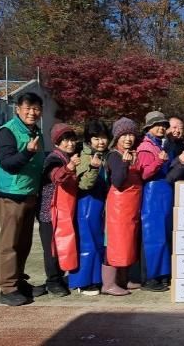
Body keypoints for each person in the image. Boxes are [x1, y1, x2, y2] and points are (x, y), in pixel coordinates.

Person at [0, 92, 48, 306]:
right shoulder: (7, 131)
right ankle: (7, 288)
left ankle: (18, 282)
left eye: (36, 109)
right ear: (18, 109)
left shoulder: (35, 132)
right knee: (10, 243)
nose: (32, 112)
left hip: (29, 193)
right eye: (28, 108)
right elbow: (8, 163)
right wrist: (27, 152)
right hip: (10, 194)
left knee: (24, 242)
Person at [38, 124, 80, 297]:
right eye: (65, 140)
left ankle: (60, 277)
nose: (70, 143)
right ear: (57, 142)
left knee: (64, 245)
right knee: (52, 248)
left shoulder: (69, 157)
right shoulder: (54, 159)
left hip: (64, 211)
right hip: (50, 212)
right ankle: (53, 281)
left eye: (72, 140)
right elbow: (56, 177)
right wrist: (69, 168)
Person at [69, 119, 110, 296]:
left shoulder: (105, 155)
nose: (101, 142)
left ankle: (96, 279)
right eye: (96, 138)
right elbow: (84, 185)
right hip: (86, 204)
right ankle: (83, 281)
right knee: (88, 244)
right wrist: (93, 168)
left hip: (99, 204)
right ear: (88, 140)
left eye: (103, 137)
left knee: (98, 243)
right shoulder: (84, 156)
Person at [103, 117, 142, 296]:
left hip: (131, 207)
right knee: (114, 244)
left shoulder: (133, 154)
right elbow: (117, 181)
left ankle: (123, 280)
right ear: (117, 137)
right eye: (124, 135)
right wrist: (125, 164)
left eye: (131, 135)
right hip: (118, 208)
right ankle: (108, 284)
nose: (128, 138)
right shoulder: (114, 155)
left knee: (127, 242)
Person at [136, 111, 172, 292]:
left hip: (163, 194)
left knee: (163, 235)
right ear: (149, 127)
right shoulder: (145, 147)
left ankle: (162, 274)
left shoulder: (160, 144)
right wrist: (159, 161)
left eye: (163, 125)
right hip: (152, 195)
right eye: (157, 125)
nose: (161, 128)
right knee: (152, 237)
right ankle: (150, 277)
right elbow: (144, 174)